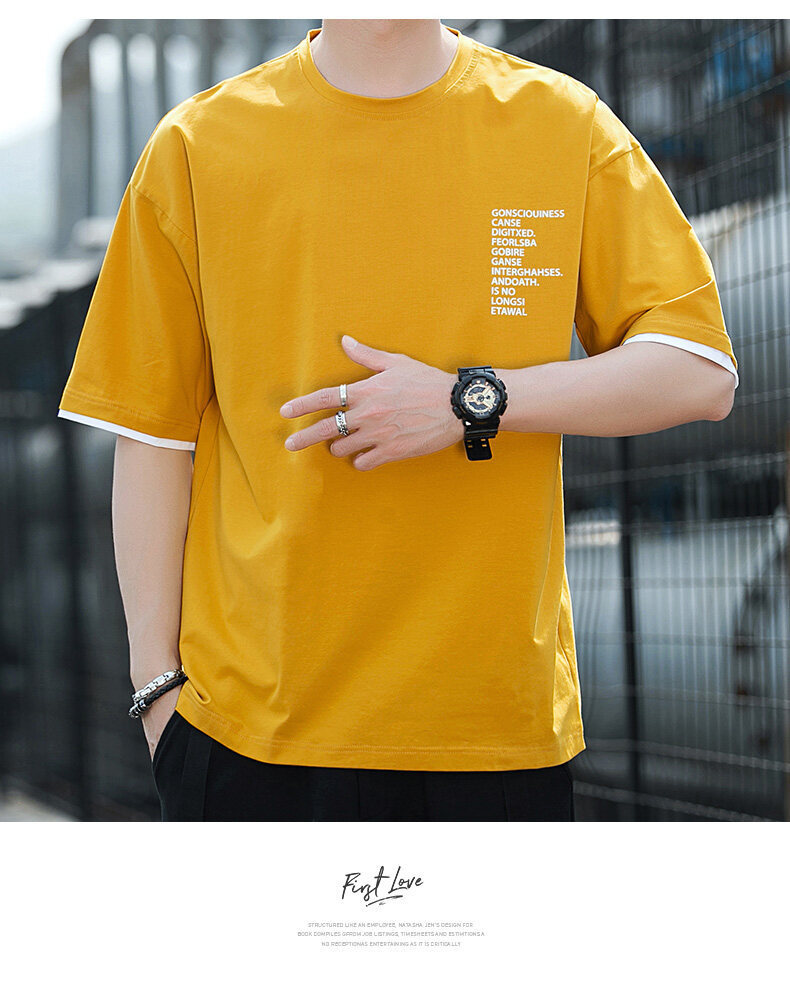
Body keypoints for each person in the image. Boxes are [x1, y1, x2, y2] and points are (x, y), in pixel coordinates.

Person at [57, 18, 739, 822]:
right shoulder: (197, 148)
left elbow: (700, 371)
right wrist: (157, 696)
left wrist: (470, 400)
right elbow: (152, 439)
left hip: (493, 735)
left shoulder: (564, 124)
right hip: (247, 736)